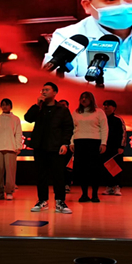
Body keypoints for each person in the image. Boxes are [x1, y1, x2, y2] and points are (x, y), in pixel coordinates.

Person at [24, 82, 74, 214]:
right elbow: (28, 118)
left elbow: (68, 128)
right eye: (43, 90)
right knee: (41, 175)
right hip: (40, 146)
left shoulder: (62, 109)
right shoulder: (39, 108)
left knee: (59, 176)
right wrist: (36, 105)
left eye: (47, 90)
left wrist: (65, 143)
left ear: (55, 92)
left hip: (56, 147)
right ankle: (42, 200)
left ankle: (60, 201)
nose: (44, 92)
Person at [70, 92, 108, 202]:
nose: (83, 100)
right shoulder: (76, 112)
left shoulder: (99, 112)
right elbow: (72, 128)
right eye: (82, 98)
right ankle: (84, 194)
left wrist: (104, 143)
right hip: (79, 142)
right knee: (82, 169)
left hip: (94, 142)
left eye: (86, 98)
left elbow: (104, 128)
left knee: (94, 169)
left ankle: (95, 194)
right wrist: (71, 142)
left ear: (91, 99)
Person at [0, 98, 23, 200]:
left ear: (11, 106)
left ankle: (9, 191)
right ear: (0, 106)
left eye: (7, 104)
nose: (5, 107)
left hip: (11, 148)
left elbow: (18, 134)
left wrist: (18, 146)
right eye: (3, 105)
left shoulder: (15, 119)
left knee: (10, 171)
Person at [101, 100, 126, 196]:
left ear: (114, 108)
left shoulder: (118, 119)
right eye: (104, 105)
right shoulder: (102, 119)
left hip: (116, 148)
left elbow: (123, 133)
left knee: (116, 168)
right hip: (105, 147)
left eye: (108, 105)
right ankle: (109, 187)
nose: (106, 107)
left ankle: (117, 186)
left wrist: (121, 146)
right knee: (106, 167)